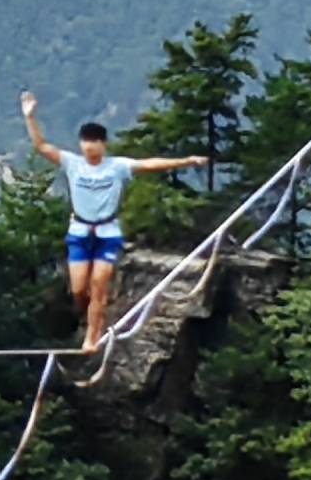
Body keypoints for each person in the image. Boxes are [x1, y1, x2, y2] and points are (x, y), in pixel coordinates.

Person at [22, 94, 211, 353]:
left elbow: (151, 164)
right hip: (79, 230)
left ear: (103, 144)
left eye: (94, 143)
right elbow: (41, 146)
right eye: (86, 143)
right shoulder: (72, 164)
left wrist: (186, 161)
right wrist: (30, 116)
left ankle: (92, 335)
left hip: (107, 232)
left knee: (99, 284)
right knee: (78, 288)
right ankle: (84, 310)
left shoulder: (117, 167)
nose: (89, 148)